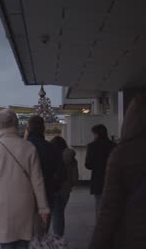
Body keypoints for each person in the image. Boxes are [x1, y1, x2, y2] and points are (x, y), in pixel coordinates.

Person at [0, 109, 50, 249]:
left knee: (6, 242)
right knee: (24, 241)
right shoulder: (29, 148)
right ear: (17, 124)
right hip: (24, 203)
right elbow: (38, 181)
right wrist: (43, 208)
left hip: (0, 204)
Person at [90, 95, 146, 249]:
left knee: (101, 207)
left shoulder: (124, 152)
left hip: (134, 234)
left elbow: (110, 209)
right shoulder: (112, 146)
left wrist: (97, 242)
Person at [26, 115, 65, 229]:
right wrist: (55, 187)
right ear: (43, 129)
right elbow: (61, 171)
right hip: (47, 192)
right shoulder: (50, 147)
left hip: (26, 194)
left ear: (28, 129)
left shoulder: (23, 147)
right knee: (42, 231)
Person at [50, 136, 79, 236]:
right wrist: (69, 185)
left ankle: (51, 238)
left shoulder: (50, 156)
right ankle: (58, 237)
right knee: (59, 213)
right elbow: (75, 178)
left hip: (52, 188)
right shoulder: (72, 159)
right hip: (65, 190)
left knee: (54, 214)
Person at [85, 124, 116, 213]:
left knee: (99, 204)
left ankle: (100, 224)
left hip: (98, 179)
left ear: (96, 134)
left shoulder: (92, 146)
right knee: (112, 205)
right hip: (112, 178)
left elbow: (88, 164)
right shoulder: (113, 145)